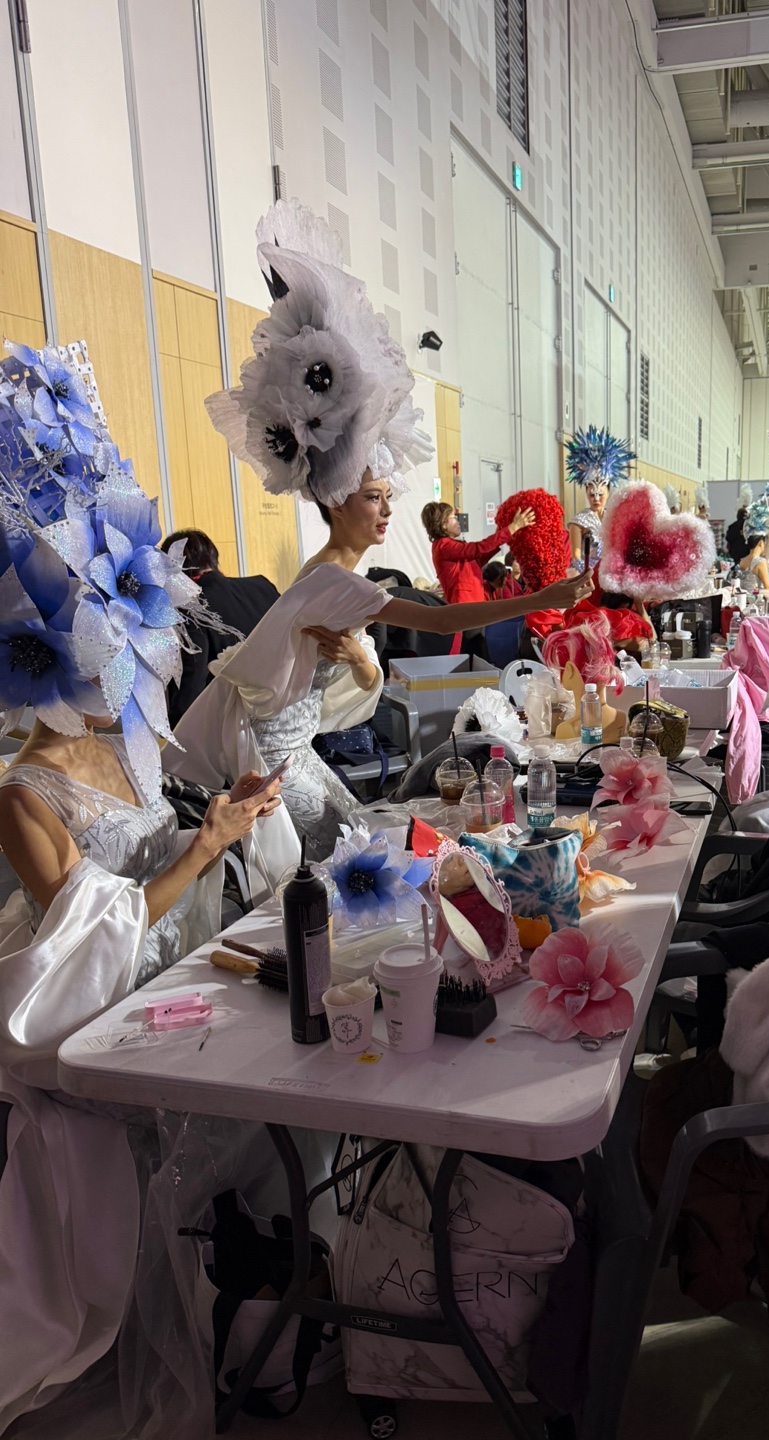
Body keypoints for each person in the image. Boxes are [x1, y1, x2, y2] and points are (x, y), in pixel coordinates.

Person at [0, 339, 281, 1432]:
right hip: (77, 1022)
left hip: (159, 980)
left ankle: (259, 1297)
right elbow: (85, 939)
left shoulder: (126, 738)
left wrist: (226, 820)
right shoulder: (22, 793)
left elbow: (160, 863)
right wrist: (203, 851)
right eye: (96, 627)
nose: (118, 645)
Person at [168, 201, 593, 885]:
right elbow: (443, 622)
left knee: (360, 851)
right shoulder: (333, 579)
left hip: (294, 752)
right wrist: (546, 596)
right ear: (337, 501)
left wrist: (358, 660)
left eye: (389, 496)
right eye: (374, 497)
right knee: (353, 861)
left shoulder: (328, 576)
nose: (386, 510)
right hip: (278, 761)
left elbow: (353, 676)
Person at [160, 528, 279, 726]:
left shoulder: (192, 607)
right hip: (290, 715)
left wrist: (172, 731)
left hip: (236, 727)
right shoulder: (262, 586)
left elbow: (191, 687)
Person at [422, 500, 534, 604]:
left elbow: (478, 558)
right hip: (465, 605)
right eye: (454, 517)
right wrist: (513, 528)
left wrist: (503, 533)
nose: (458, 521)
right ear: (443, 524)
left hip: (473, 603)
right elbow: (478, 548)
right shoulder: (443, 546)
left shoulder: (447, 546)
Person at [565, 425, 634, 571]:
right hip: (588, 575)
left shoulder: (615, 518)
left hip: (611, 573)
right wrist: (588, 575)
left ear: (608, 493)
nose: (596, 499)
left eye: (600, 494)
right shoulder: (578, 523)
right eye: (592, 494)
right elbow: (576, 557)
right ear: (586, 493)